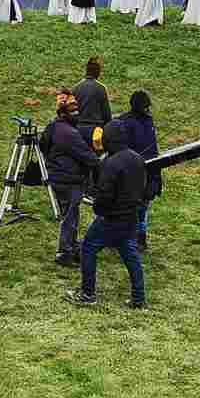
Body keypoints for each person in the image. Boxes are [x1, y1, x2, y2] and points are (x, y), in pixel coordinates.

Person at [74, 126, 147, 307]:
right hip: (131, 216)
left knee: (88, 248)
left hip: (111, 218)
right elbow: (142, 187)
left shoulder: (111, 163)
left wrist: (98, 208)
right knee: (130, 255)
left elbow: (104, 195)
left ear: (109, 140)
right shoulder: (137, 158)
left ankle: (87, 294)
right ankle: (138, 298)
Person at [40, 91, 99, 266]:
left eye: (77, 109)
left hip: (58, 176)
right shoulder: (68, 133)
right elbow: (87, 156)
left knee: (71, 214)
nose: (77, 113)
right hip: (69, 179)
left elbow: (43, 146)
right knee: (70, 217)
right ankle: (65, 252)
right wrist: (99, 161)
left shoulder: (53, 126)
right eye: (73, 110)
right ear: (63, 112)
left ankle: (72, 247)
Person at [109, 89, 160, 251]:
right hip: (132, 171)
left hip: (148, 170)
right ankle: (129, 239)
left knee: (142, 207)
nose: (148, 110)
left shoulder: (145, 122)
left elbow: (153, 148)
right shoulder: (125, 122)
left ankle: (139, 239)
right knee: (131, 208)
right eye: (145, 107)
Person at [72, 57, 113, 134]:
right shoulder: (101, 88)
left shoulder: (76, 88)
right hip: (96, 130)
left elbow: (73, 112)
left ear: (86, 71)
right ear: (97, 72)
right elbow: (106, 114)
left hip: (79, 129)